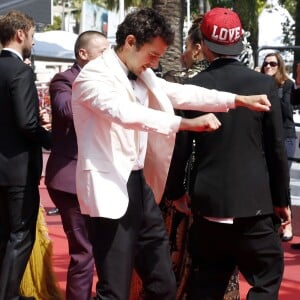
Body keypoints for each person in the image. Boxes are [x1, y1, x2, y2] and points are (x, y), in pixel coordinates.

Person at [71, 8, 271, 300]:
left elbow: (181, 93)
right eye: (152, 55)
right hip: (108, 190)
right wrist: (185, 124)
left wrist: (236, 100)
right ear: (130, 41)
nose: (155, 63)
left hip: (141, 187)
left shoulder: (144, 73)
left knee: (163, 283)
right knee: (114, 290)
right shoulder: (92, 77)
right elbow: (125, 113)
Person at [167, 7, 290, 300]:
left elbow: (181, 143)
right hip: (255, 204)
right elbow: (276, 149)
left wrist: (176, 191)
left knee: (207, 281)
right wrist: (281, 201)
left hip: (208, 202)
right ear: (238, 43)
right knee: (266, 278)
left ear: (205, 45)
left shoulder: (193, 87)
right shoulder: (263, 84)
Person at [45, 30, 109, 300]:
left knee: (107, 251)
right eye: (102, 52)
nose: (109, 59)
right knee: (84, 253)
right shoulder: (64, 80)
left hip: (104, 179)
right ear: (83, 54)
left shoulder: (112, 83)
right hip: (70, 180)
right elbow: (66, 111)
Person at [0, 10, 52, 300]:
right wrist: (51, 139)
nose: (33, 41)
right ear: (20, 34)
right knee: (20, 236)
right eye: (32, 35)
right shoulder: (21, 71)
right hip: (18, 169)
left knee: (4, 235)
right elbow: (26, 122)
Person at [261, 52, 296, 242]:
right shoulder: (260, 85)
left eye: (272, 64)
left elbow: (286, 110)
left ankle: (288, 223)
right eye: (265, 64)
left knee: (283, 179)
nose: (268, 67)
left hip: (287, 138)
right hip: (266, 139)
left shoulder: (287, 85)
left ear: (279, 65)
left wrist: (272, 88)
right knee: (266, 179)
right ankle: (273, 223)